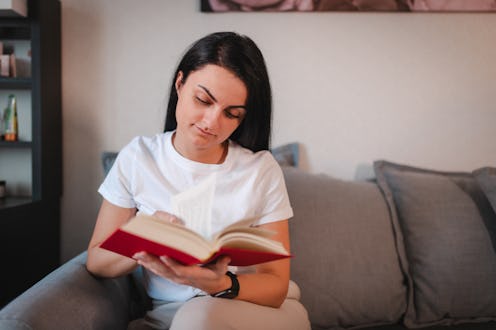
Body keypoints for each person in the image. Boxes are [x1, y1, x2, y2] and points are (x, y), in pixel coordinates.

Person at [86, 31, 311, 330]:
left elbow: (276, 285)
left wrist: (219, 283)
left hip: (251, 309)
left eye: (231, 114)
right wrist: (147, 237)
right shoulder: (139, 158)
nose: (211, 123)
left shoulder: (260, 170)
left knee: (200, 318)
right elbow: (97, 261)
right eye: (203, 100)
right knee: (193, 319)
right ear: (180, 84)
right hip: (172, 315)